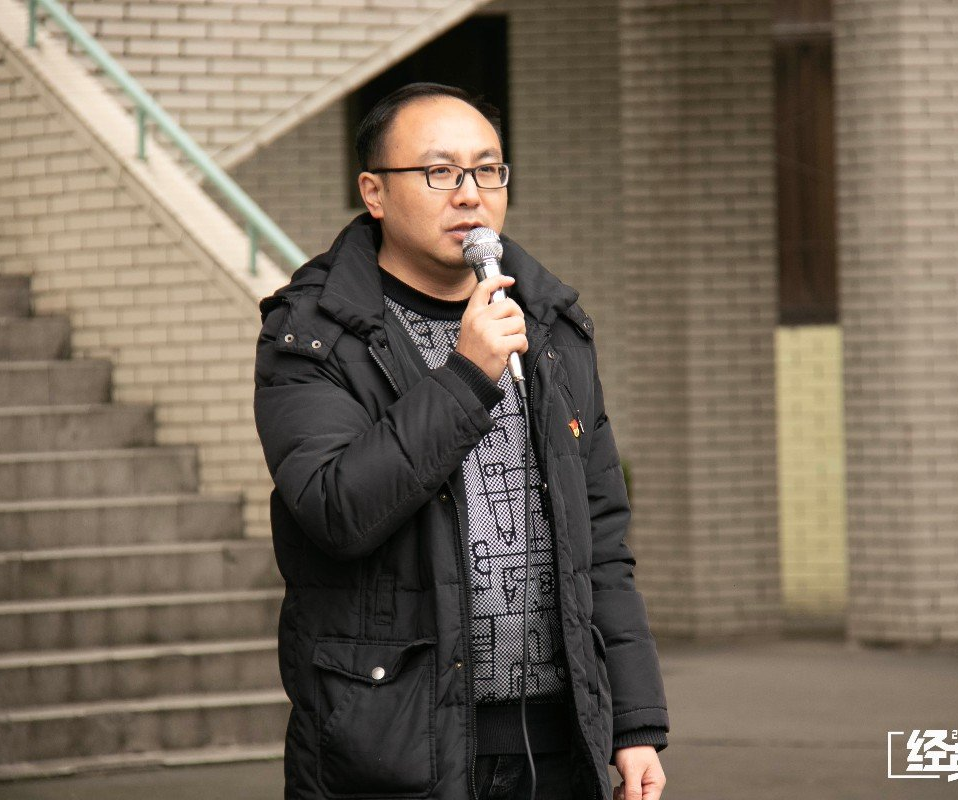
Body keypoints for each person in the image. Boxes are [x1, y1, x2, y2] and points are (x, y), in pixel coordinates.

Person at [253, 82, 668, 800]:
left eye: (488, 170)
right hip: (395, 746)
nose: (470, 194)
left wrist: (633, 723)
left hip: (558, 745)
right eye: (440, 172)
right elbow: (335, 509)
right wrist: (468, 377)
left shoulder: (551, 327)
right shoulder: (313, 336)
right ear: (374, 193)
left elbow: (599, 543)